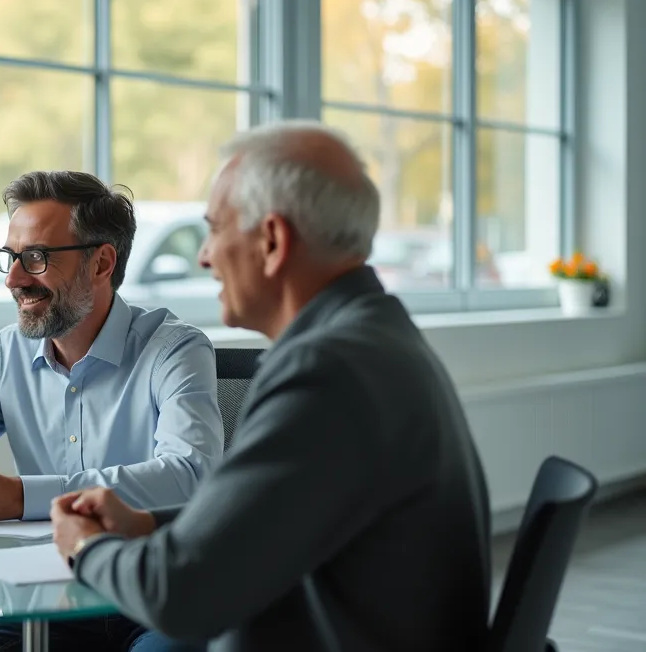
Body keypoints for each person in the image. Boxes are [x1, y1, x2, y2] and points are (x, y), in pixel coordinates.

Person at [51, 121, 492, 652]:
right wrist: (147, 523)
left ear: (273, 241)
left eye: (215, 229)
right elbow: (273, 518)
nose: (204, 256)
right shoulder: (372, 336)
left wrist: (87, 548)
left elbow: (182, 595)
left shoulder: (325, 372)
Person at [0, 170, 223, 652]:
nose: (13, 279)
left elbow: (190, 475)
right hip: (44, 605)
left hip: (156, 600)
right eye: (10, 257)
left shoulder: (174, 350)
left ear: (101, 262)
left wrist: (18, 497)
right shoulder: (9, 353)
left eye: (36, 258)